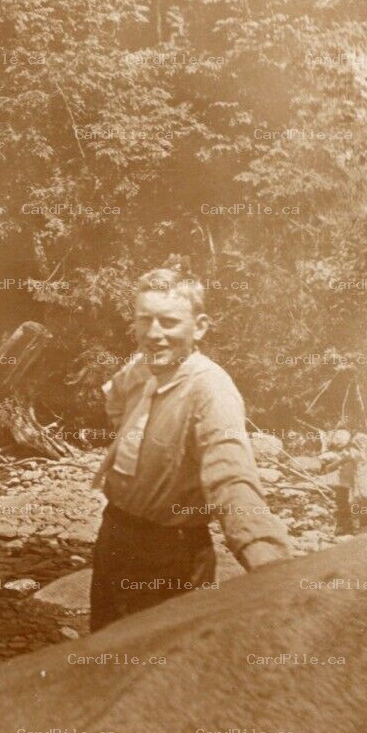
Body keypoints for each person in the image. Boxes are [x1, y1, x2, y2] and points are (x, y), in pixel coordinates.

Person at [89, 267, 291, 631]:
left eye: (169, 322)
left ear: (199, 327)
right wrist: (132, 437)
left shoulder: (211, 391)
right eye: (144, 321)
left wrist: (266, 559)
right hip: (115, 538)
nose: (154, 334)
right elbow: (115, 398)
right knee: (103, 661)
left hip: (171, 555)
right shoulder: (141, 366)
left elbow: (231, 477)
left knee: (161, 670)